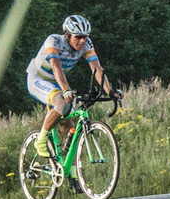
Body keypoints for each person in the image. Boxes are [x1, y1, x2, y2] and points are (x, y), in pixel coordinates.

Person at [27, 14, 112, 143]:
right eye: (78, 37)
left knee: (69, 125)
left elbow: (97, 69)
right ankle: (41, 140)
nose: (83, 41)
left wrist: (109, 91)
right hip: (38, 80)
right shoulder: (54, 41)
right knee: (62, 102)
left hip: (57, 84)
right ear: (67, 34)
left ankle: (69, 163)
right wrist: (66, 89)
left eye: (85, 37)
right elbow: (56, 67)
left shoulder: (86, 44)